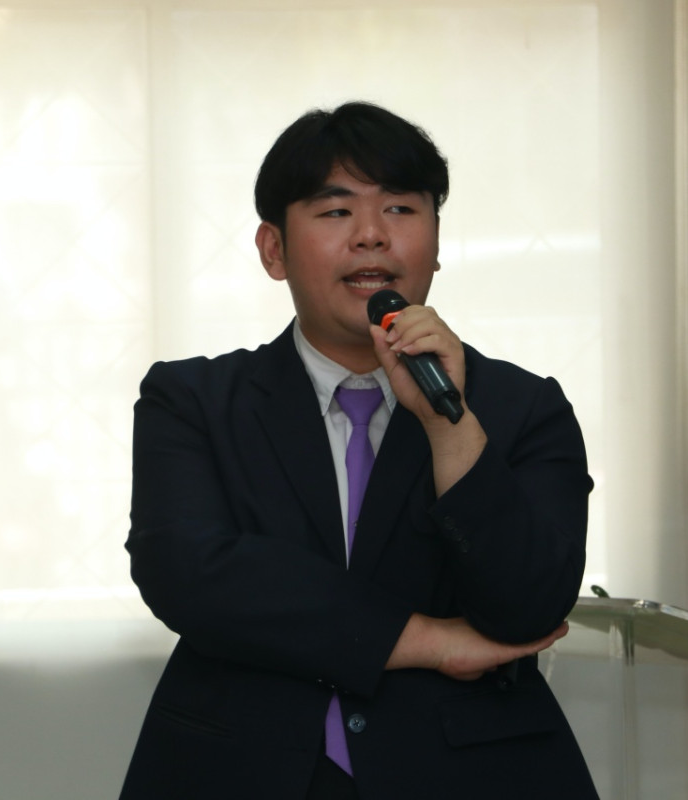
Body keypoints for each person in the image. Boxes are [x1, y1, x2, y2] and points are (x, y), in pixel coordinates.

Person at [119, 101, 599, 800]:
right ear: (274, 250)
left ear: (437, 243)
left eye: (401, 209)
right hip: (240, 770)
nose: (373, 235)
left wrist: (449, 426)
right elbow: (189, 573)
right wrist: (428, 640)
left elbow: (529, 606)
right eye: (336, 211)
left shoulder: (524, 408)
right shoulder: (193, 401)